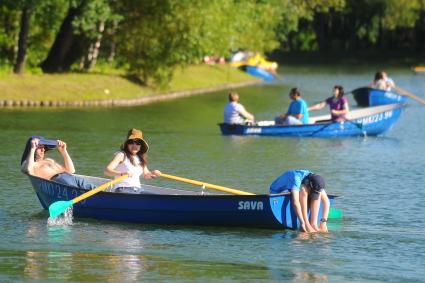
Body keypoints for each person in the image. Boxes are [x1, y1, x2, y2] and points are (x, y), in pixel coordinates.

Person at [21, 136, 95, 190]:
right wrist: (32, 148)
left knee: (95, 189)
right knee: (77, 190)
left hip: (72, 177)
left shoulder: (49, 160)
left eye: (44, 147)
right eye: (40, 147)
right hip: (58, 181)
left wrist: (63, 151)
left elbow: (71, 171)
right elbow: (29, 171)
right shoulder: (29, 164)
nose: (43, 149)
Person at [104, 128, 161, 193]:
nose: (134, 145)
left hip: (138, 190)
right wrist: (122, 174)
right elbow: (107, 171)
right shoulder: (121, 155)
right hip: (123, 189)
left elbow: (146, 175)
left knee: (157, 197)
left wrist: (154, 173)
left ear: (141, 145)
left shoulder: (140, 158)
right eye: (131, 142)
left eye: (138, 143)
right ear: (127, 144)